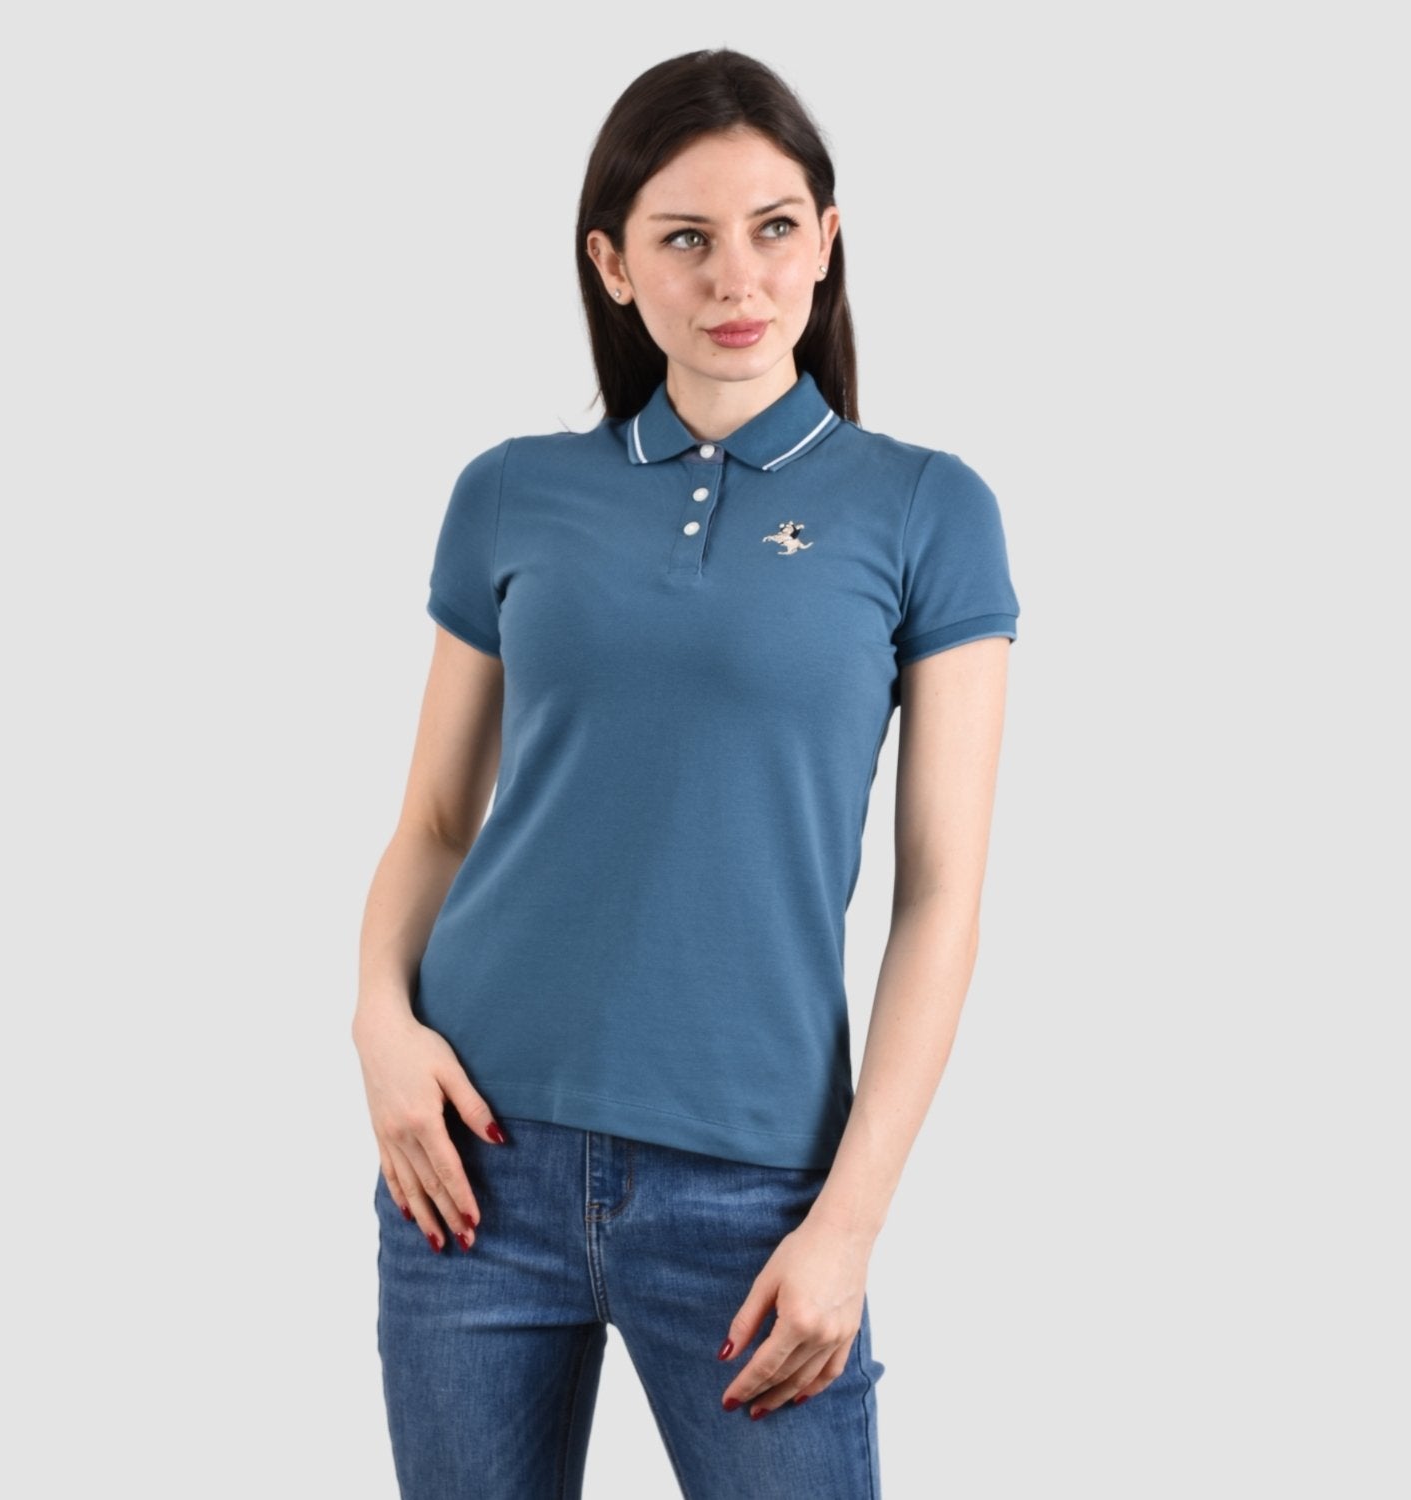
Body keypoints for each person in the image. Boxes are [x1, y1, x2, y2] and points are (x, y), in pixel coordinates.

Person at [352, 46, 1020, 1499]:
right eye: (685, 238)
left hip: (756, 1194)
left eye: (774, 228)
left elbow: (942, 897)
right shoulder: (510, 492)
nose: (738, 278)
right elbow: (439, 819)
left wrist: (850, 1222)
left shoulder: (927, 510)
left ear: (826, 241)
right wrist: (378, 1025)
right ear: (612, 264)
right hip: (471, 1162)